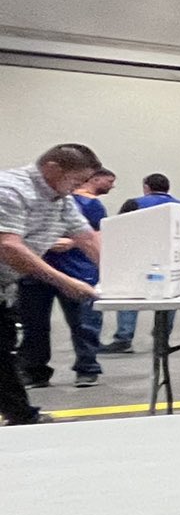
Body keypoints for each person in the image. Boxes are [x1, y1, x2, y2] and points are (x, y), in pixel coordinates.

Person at [1, 144, 104, 426]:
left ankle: (22, 416)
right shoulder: (10, 190)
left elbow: (86, 237)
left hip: (4, 287)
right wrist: (65, 281)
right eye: (77, 179)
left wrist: (117, 277)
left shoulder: (61, 199)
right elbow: (8, 247)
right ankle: (22, 416)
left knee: (3, 352)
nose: (79, 187)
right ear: (53, 169)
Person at [19, 166, 114, 391]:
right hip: (37, 271)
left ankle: (87, 368)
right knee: (34, 325)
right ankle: (34, 371)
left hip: (77, 271)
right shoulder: (29, 203)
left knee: (83, 324)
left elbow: (96, 237)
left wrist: (73, 242)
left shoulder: (89, 205)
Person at [103, 173, 180, 354]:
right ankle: (161, 339)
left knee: (131, 293)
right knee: (169, 295)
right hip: (173, 258)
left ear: (146, 187)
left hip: (139, 255)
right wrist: (175, 236)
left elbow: (120, 228)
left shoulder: (133, 204)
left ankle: (124, 339)